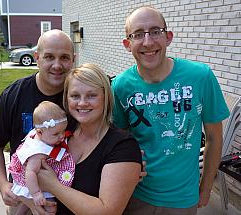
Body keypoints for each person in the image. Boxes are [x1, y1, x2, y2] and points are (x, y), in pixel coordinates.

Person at [111, 6, 230, 215]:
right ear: (127, 44)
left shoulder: (201, 77)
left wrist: (206, 187)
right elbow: (118, 139)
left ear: (168, 37)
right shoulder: (120, 87)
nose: (148, 42)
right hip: (134, 194)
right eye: (138, 34)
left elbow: (214, 138)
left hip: (182, 199)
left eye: (155, 31)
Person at [22, 63, 142, 215]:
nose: (82, 103)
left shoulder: (122, 146)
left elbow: (107, 212)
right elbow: (24, 164)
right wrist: (32, 203)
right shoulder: (61, 130)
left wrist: (53, 186)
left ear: (106, 97)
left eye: (92, 95)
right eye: (75, 96)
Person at [0, 29, 75, 215]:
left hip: (72, 195)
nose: (57, 65)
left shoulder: (80, 97)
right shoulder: (13, 95)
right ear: (37, 58)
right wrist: (3, 185)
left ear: (73, 59)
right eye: (49, 57)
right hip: (25, 195)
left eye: (64, 57)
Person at [8, 101, 75, 215]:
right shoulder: (38, 152)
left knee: (25, 206)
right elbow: (30, 172)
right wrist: (36, 194)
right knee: (51, 208)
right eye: (56, 134)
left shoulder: (41, 135)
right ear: (39, 132)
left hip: (35, 182)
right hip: (33, 184)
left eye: (63, 131)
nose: (62, 136)